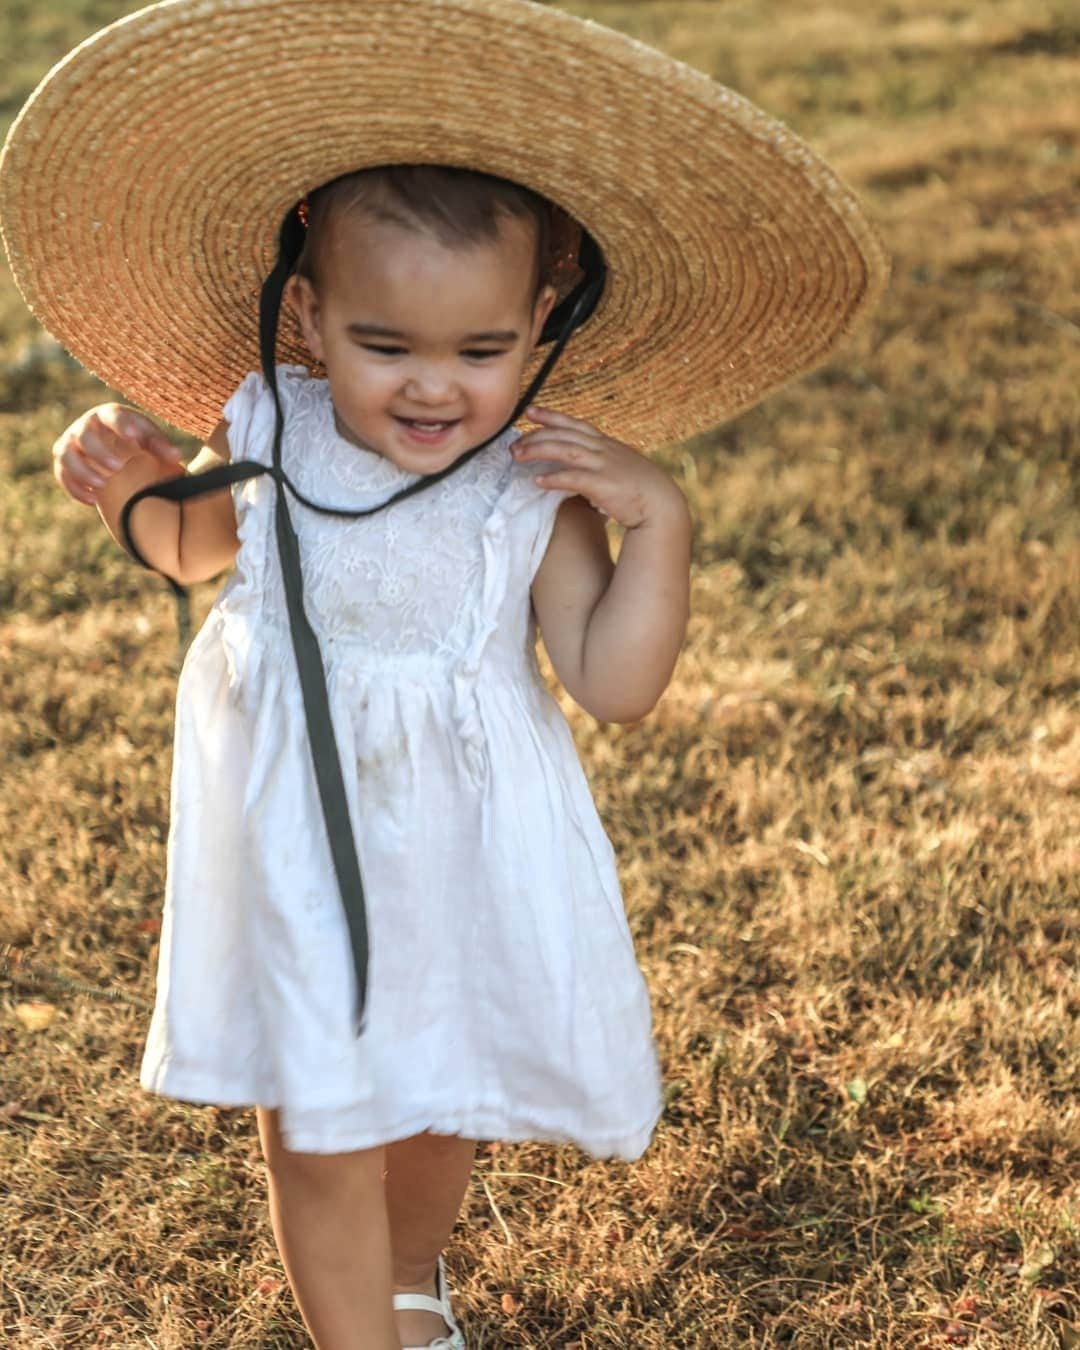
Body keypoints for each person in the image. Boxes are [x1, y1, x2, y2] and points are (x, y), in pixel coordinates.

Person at [2, 3, 887, 1347]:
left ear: (541, 322)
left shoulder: (535, 481)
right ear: (306, 314)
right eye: (387, 346)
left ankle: (413, 1276)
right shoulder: (269, 421)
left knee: (432, 1093)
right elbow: (204, 551)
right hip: (300, 815)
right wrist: (137, 498)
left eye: (480, 351)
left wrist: (664, 522)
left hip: (458, 836)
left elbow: (615, 677)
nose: (434, 389)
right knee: (313, 1114)